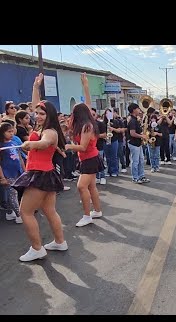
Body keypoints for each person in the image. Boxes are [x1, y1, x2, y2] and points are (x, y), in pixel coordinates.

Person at [12, 73, 67, 261]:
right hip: (43, 173)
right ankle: (60, 242)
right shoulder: (40, 126)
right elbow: (36, 106)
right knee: (49, 210)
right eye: (37, 113)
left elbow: (44, 143)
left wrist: (29, 145)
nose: (38, 115)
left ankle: (37, 248)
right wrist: (36, 87)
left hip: (40, 174)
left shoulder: (50, 132)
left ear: (49, 115)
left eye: (42, 113)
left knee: (25, 211)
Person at [65, 73, 104, 227]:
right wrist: (85, 85)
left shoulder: (87, 126)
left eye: (73, 113)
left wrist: (68, 146)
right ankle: (97, 211)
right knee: (91, 186)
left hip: (89, 158)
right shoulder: (87, 122)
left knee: (82, 186)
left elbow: (82, 146)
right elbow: (87, 104)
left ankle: (87, 216)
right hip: (88, 158)